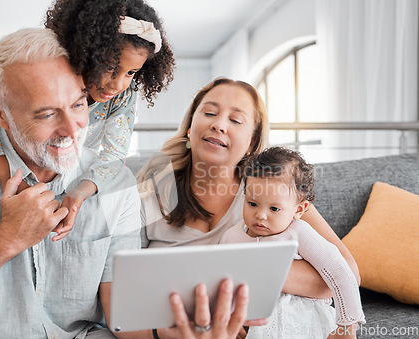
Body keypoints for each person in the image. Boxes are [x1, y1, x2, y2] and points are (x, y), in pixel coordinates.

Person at [0, 27, 143, 339]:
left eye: (79, 105)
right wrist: (5, 239)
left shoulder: (116, 183)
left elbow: (124, 317)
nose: (71, 129)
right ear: (0, 113)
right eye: (47, 114)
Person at [137, 78, 361, 339]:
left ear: (253, 142)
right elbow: (122, 294)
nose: (218, 124)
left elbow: (347, 273)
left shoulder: (274, 196)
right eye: (209, 113)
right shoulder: (150, 194)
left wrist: (248, 270)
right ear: (189, 127)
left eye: (235, 120)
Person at [0, 0, 175, 241]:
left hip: (70, 178)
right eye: (111, 67)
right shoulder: (50, 69)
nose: (118, 84)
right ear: (87, 51)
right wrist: (9, 178)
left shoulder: (123, 95)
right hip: (23, 172)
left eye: (131, 73)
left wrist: (81, 191)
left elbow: (114, 153)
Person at [220, 146, 365, 338]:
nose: (261, 215)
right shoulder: (232, 236)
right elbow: (221, 283)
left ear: (299, 209)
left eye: (274, 208)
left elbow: (342, 274)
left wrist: (346, 326)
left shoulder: (299, 232)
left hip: (304, 322)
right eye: (252, 204)